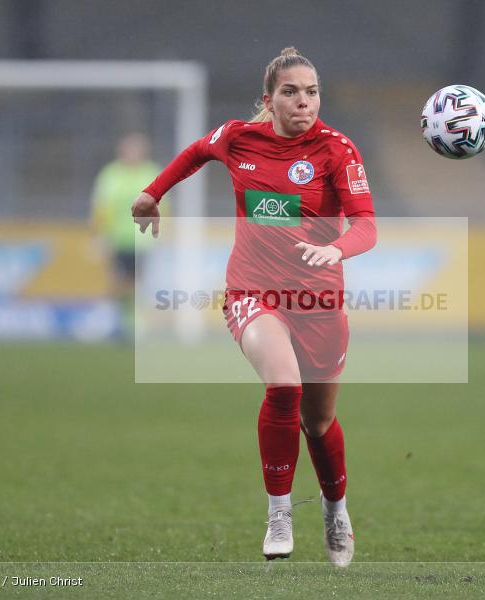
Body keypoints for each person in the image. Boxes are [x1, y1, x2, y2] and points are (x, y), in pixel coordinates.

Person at [131, 47, 377, 566]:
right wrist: (153, 193)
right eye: (291, 92)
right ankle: (279, 512)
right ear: (269, 100)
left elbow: (367, 225)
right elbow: (196, 152)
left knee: (319, 421)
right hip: (253, 291)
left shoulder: (337, 150)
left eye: (312, 92)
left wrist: (336, 248)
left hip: (318, 300)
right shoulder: (239, 137)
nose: (303, 102)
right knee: (283, 386)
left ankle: (336, 511)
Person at [91, 133, 162, 335]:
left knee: (137, 284)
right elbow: (100, 207)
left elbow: (164, 206)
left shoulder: (151, 172)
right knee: (117, 284)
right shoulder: (111, 175)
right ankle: (120, 322)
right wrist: (99, 235)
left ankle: (135, 324)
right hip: (118, 240)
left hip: (143, 241)